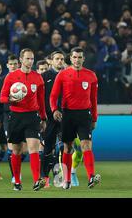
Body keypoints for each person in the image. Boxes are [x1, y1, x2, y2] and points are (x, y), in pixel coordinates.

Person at [50, 47, 101, 189]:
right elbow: (53, 96)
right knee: (68, 147)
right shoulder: (62, 75)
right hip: (68, 115)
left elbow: (94, 99)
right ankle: (66, 180)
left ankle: (91, 177)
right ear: (70, 59)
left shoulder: (91, 75)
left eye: (80, 57)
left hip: (85, 115)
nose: (77, 60)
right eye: (75, 57)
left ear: (83, 59)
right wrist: (54, 109)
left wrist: (94, 118)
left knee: (86, 145)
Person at [0, 48, 47, 191]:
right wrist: (11, 99)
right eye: (27, 58)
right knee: (17, 151)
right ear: (21, 60)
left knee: (34, 148)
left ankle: (36, 180)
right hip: (16, 116)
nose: (30, 61)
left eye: (32, 59)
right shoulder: (11, 77)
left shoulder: (38, 77)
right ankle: (17, 182)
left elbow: (41, 101)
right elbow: (2, 98)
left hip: (32, 116)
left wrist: (43, 118)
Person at [0, 54, 19, 182]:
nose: (13, 66)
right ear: (7, 65)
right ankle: (14, 175)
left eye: (15, 63)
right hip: (8, 115)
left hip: (23, 114)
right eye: (11, 64)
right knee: (11, 146)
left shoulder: (22, 77)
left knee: (23, 148)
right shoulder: (3, 79)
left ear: (18, 64)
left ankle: (15, 170)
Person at [41, 51, 65, 187]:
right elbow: (40, 98)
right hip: (49, 118)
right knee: (48, 148)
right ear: (51, 61)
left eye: (62, 59)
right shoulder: (44, 77)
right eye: (57, 59)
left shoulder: (68, 74)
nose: (60, 61)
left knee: (64, 147)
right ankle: (44, 177)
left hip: (65, 118)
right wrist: (42, 116)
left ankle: (60, 176)